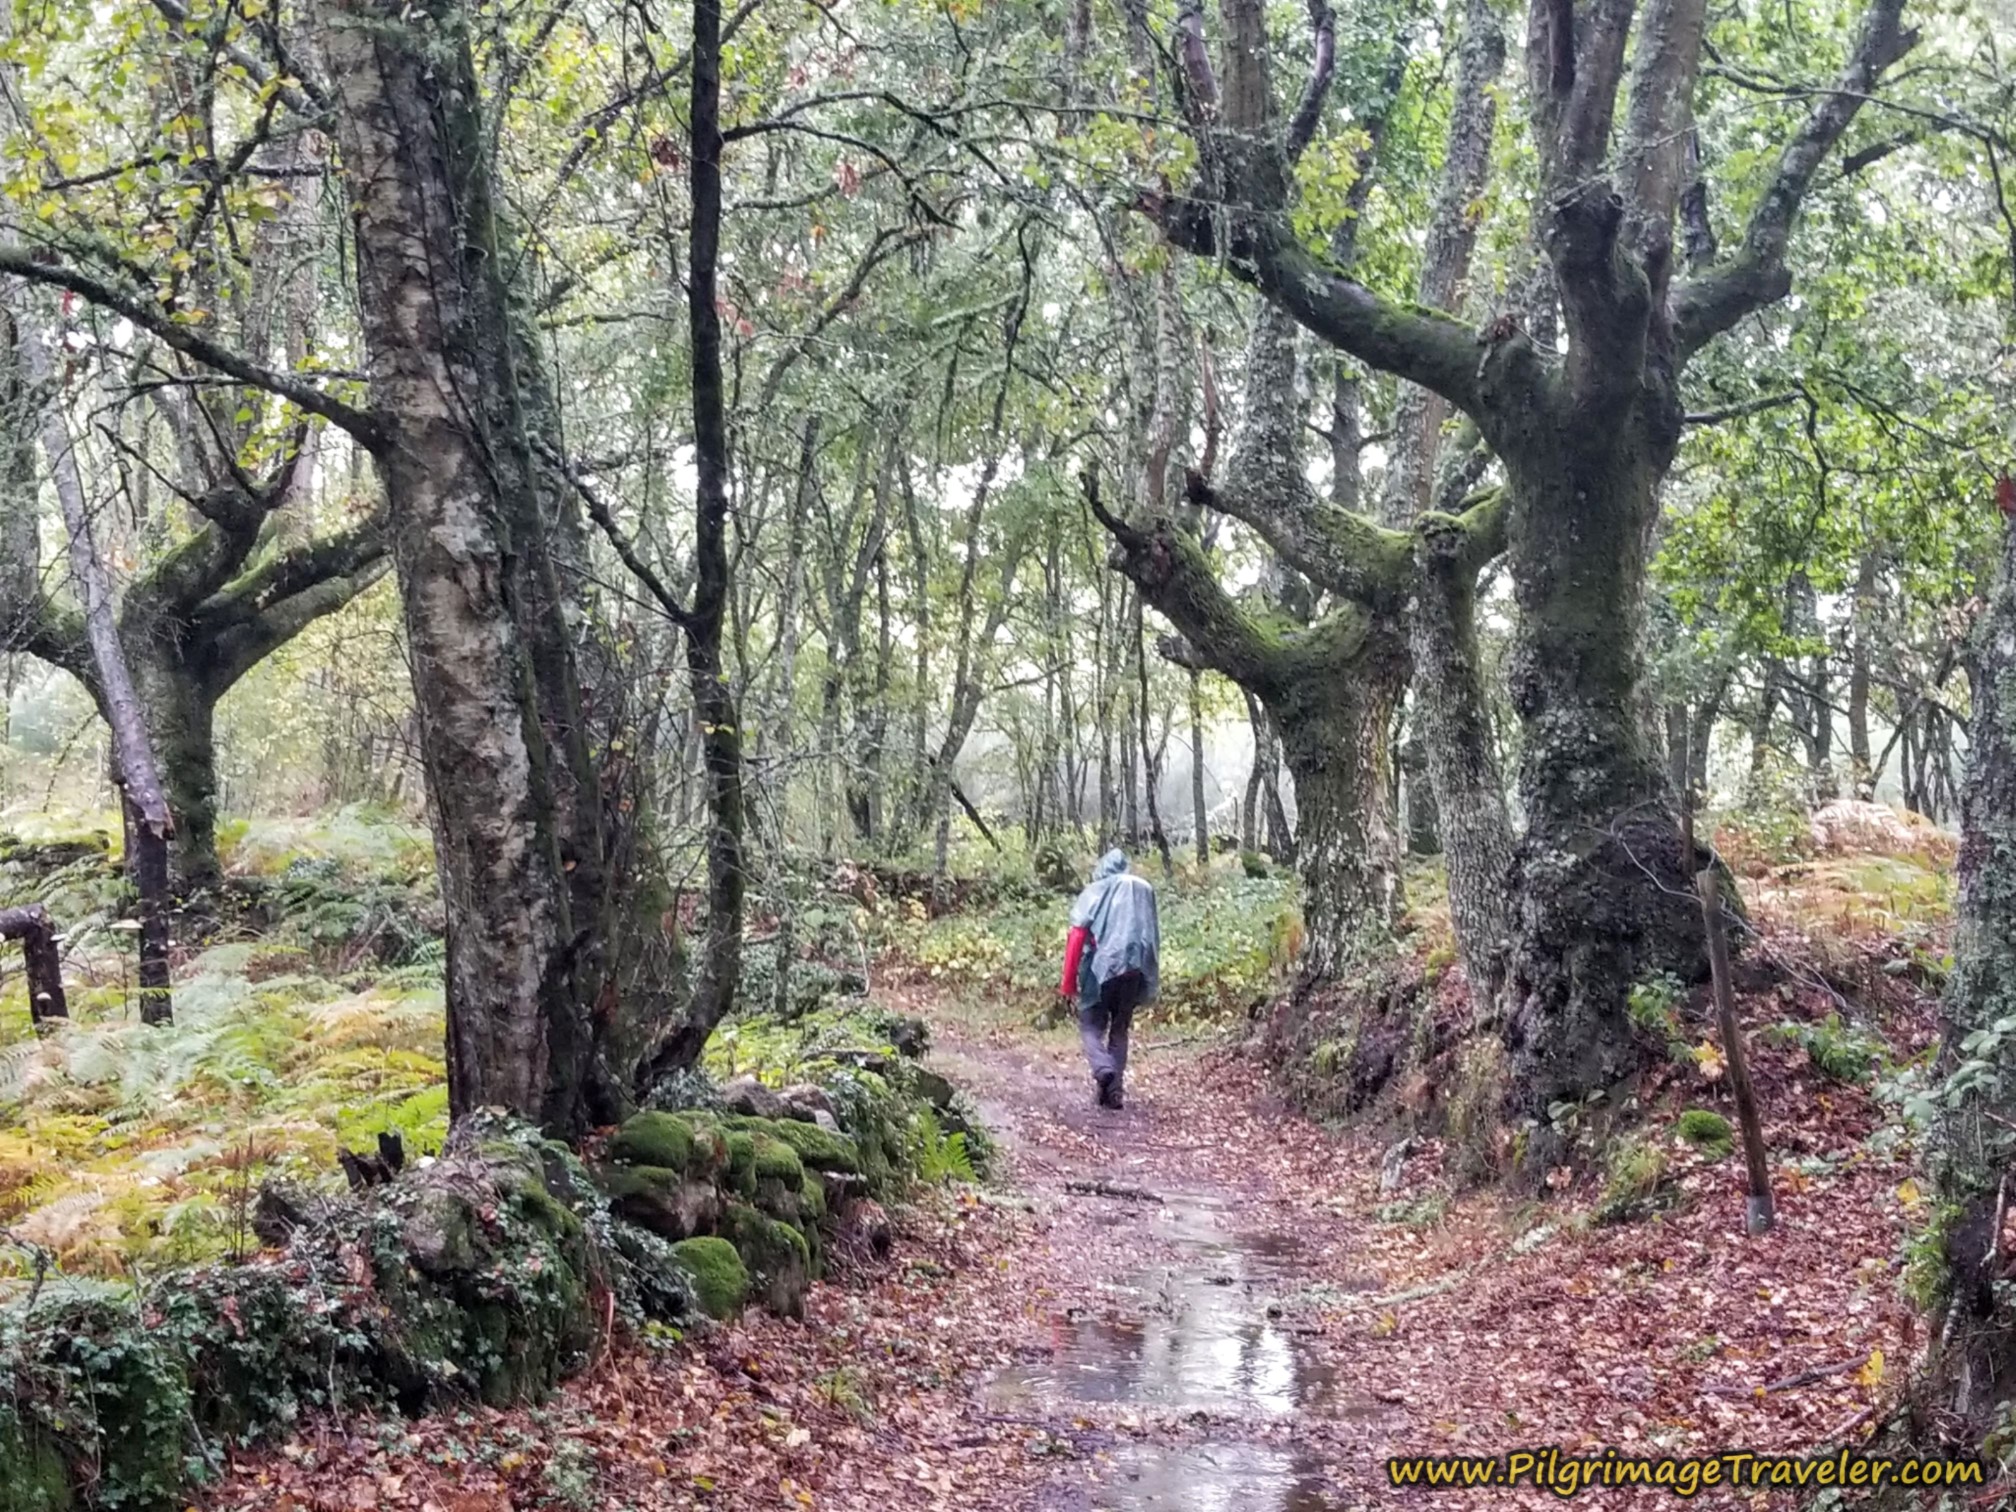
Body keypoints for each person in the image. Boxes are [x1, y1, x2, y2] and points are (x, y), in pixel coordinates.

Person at [1059, 848, 1160, 1109]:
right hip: (1134, 969)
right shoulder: (1141, 889)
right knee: (1119, 1029)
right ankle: (1113, 1093)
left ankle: (1103, 1068)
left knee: (1090, 1026)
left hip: (1099, 970)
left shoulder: (1095, 890)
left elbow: (1077, 936)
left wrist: (1068, 983)